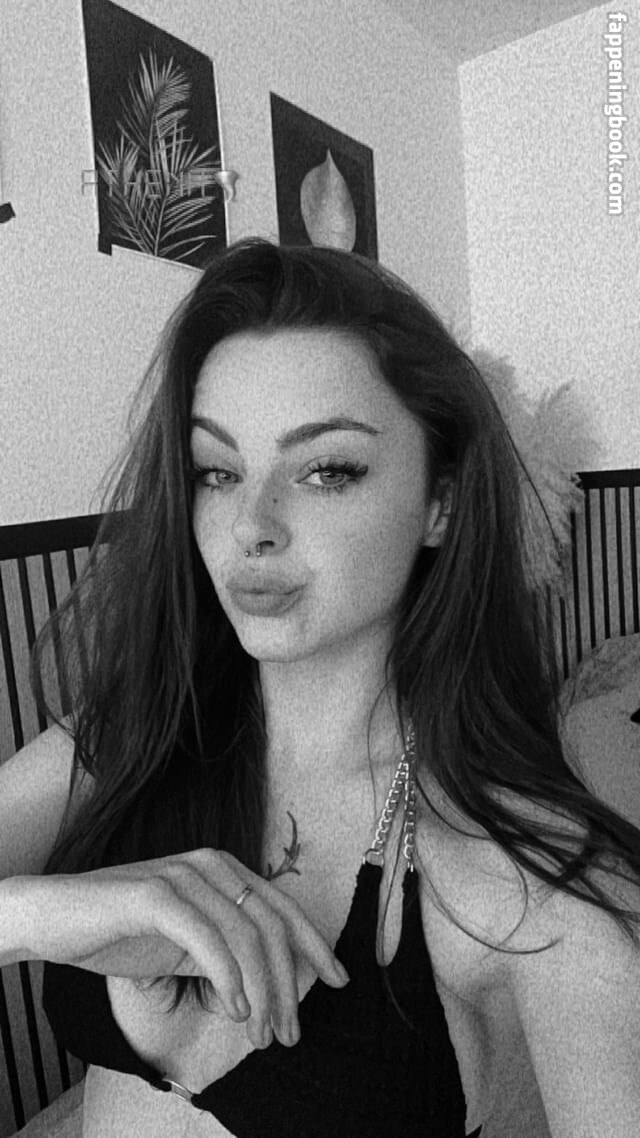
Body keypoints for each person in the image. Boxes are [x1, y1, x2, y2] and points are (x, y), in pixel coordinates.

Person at [3, 236, 640, 1138]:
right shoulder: (129, 740)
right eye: (217, 471)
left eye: (327, 470)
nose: (251, 524)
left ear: (441, 502)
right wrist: (41, 915)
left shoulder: (534, 889)